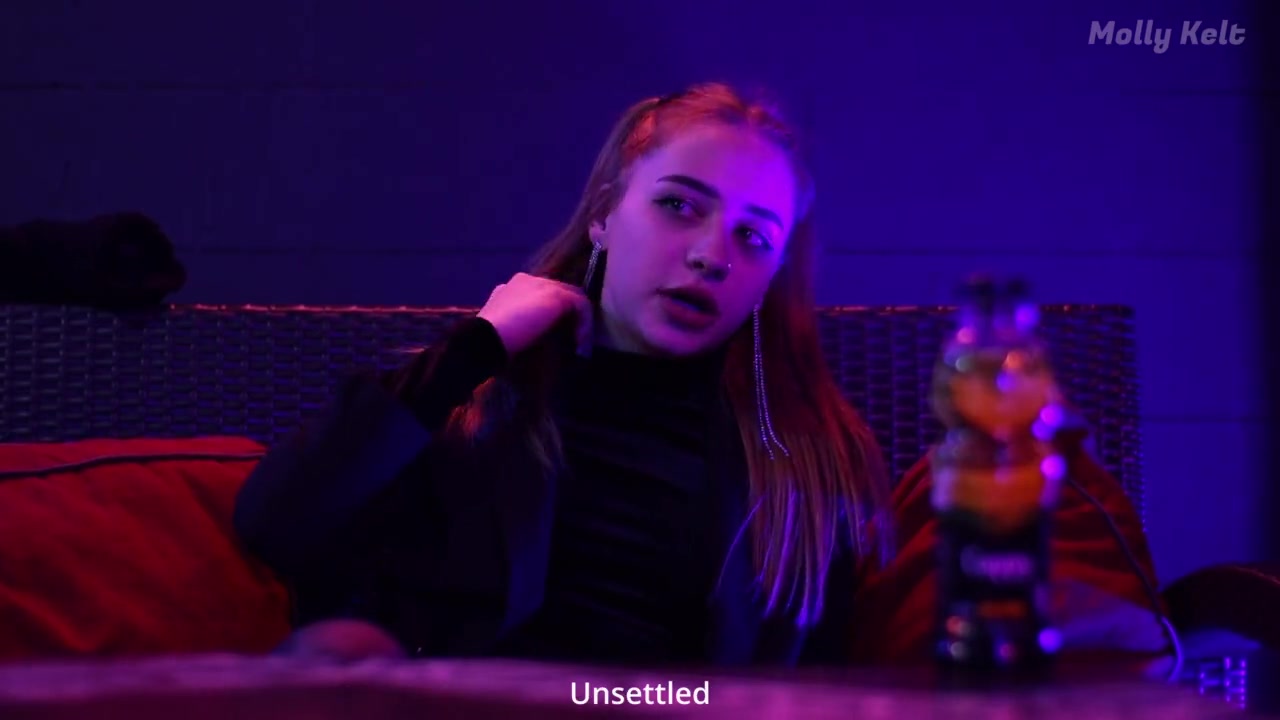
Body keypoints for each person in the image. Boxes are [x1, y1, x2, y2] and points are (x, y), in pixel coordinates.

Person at [232, 82, 1172, 669]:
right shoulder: (472, 394)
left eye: (752, 238)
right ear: (606, 215)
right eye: (680, 207)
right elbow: (277, 521)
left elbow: (824, 669)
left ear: (771, 276)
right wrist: (479, 345)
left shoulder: (807, 458)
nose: (711, 254)